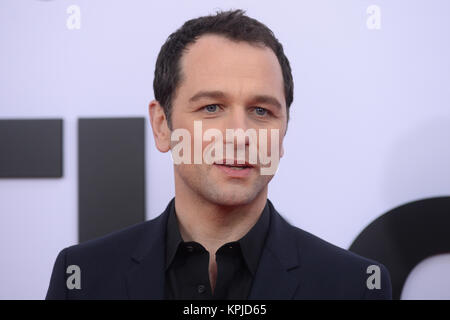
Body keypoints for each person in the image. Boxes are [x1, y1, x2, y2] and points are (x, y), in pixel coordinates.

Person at [46, 9, 392, 300]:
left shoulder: (354, 286)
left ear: (283, 131)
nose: (240, 135)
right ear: (162, 125)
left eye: (261, 111)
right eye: (211, 107)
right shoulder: (82, 278)